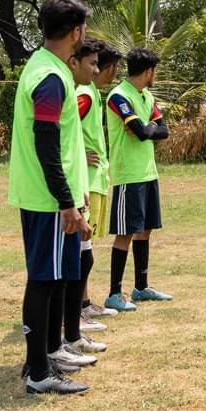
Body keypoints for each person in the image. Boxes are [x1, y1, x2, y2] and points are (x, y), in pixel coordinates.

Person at [7, 0, 93, 395]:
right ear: (76, 32)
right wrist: (65, 201)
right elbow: (46, 144)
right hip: (48, 200)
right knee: (43, 280)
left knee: (54, 277)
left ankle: (46, 355)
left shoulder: (46, 68)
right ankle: (38, 371)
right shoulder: (52, 78)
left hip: (50, 197)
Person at [44, 42, 109, 367]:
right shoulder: (77, 94)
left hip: (83, 187)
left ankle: (73, 332)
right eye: (93, 63)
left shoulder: (85, 93)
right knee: (69, 267)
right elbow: (54, 139)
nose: (98, 70)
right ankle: (69, 330)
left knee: (79, 260)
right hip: (68, 194)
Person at [104, 47, 171, 312]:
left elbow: (161, 130)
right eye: (156, 70)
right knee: (125, 233)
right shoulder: (119, 96)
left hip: (148, 172)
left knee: (145, 230)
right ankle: (114, 293)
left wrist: (149, 128)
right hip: (128, 174)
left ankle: (141, 288)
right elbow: (142, 131)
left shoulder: (145, 95)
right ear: (149, 71)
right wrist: (149, 128)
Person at [77, 42, 124, 327]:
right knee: (82, 248)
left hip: (95, 178)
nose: (113, 74)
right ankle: (77, 308)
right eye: (112, 68)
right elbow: (60, 127)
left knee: (86, 244)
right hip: (86, 180)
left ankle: (82, 303)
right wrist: (80, 153)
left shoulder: (93, 93)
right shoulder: (84, 93)